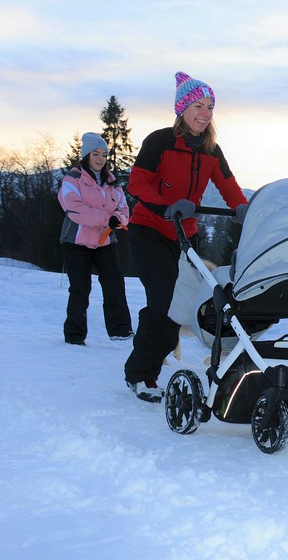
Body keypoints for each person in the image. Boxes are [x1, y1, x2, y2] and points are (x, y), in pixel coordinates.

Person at [123, 71, 248, 402]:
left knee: (179, 309)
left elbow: (229, 187)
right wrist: (168, 206)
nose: (205, 113)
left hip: (184, 235)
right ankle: (141, 375)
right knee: (164, 301)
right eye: (198, 105)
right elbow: (137, 184)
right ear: (182, 109)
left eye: (210, 106)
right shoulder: (159, 142)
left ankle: (146, 348)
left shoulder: (211, 150)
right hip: (149, 229)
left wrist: (246, 211)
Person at [57, 132, 133, 345]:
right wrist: (107, 218)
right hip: (76, 243)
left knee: (114, 284)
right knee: (80, 288)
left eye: (104, 154)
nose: (100, 159)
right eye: (96, 154)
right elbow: (74, 208)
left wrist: (118, 218)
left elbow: (123, 208)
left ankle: (121, 331)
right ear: (86, 156)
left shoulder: (112, 182)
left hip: (105, 242)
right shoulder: (72, 179)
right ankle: (75, 336)